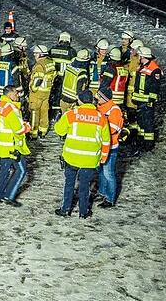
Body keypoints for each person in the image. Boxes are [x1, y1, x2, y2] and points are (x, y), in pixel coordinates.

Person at [53, 90, 111, 218]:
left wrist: (59, 121)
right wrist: (104, 157)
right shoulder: (101, 118)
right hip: (90, 159)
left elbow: (59, 131)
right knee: (85, 186)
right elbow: (106, 141)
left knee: (69, 184)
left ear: (79, 100)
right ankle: (83, 212)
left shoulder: (71, 114)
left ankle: (65, 209)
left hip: (71, 157)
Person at [0, 84, 31, 206]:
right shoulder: (11, 109)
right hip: (12, 147)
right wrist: (27, 127)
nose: (18, 95)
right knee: (21, 170)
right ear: (9, 94)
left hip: (1, 145)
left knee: (4, 169)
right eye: (15, 93)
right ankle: (9, 196)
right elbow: (18, 129)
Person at [96, 88, 124, 208]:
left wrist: (99, 128)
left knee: (109, 173)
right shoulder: (99, 108)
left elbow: (113, 129)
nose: (97, 98)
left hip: (111, 147)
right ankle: (102, 192)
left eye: (99, 96)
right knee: (101, 171)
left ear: (105, 98)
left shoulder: (114, 110)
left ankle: (110, 198)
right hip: (101, 145)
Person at [130, 46, 163, 151]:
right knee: (141, 123)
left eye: (140, 55)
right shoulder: (142, 67)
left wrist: (151, 101)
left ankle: (148, 145)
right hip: (140, 101)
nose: (138, 57)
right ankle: (141, 142)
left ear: (143, 56)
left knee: (147, 124)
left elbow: (155, 88)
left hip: (147, 102)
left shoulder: (154, 69)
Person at [28, 45, 56, 137]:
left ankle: (33, 132)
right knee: (44, 111)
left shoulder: (39, 65)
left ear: (40, 54)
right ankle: (43, 131)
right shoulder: (50, 62)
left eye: (36, 54)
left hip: (37, 93)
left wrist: (33, 89)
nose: (35, 56)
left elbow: (38, 79)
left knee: (34, 112)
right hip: (47, 92)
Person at [60, 49, 91, 114]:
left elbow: (63, 80)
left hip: (63, 98)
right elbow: (80, 89)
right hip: (73, 102)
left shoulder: (68, 67)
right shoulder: (82, 73)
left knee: (64, 121)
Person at [49, 32, 76, 105]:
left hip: (53, 77)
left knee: (52, 97)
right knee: (60, 98)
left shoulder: (52, 49)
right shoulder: (72, 52)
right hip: (64, 78)